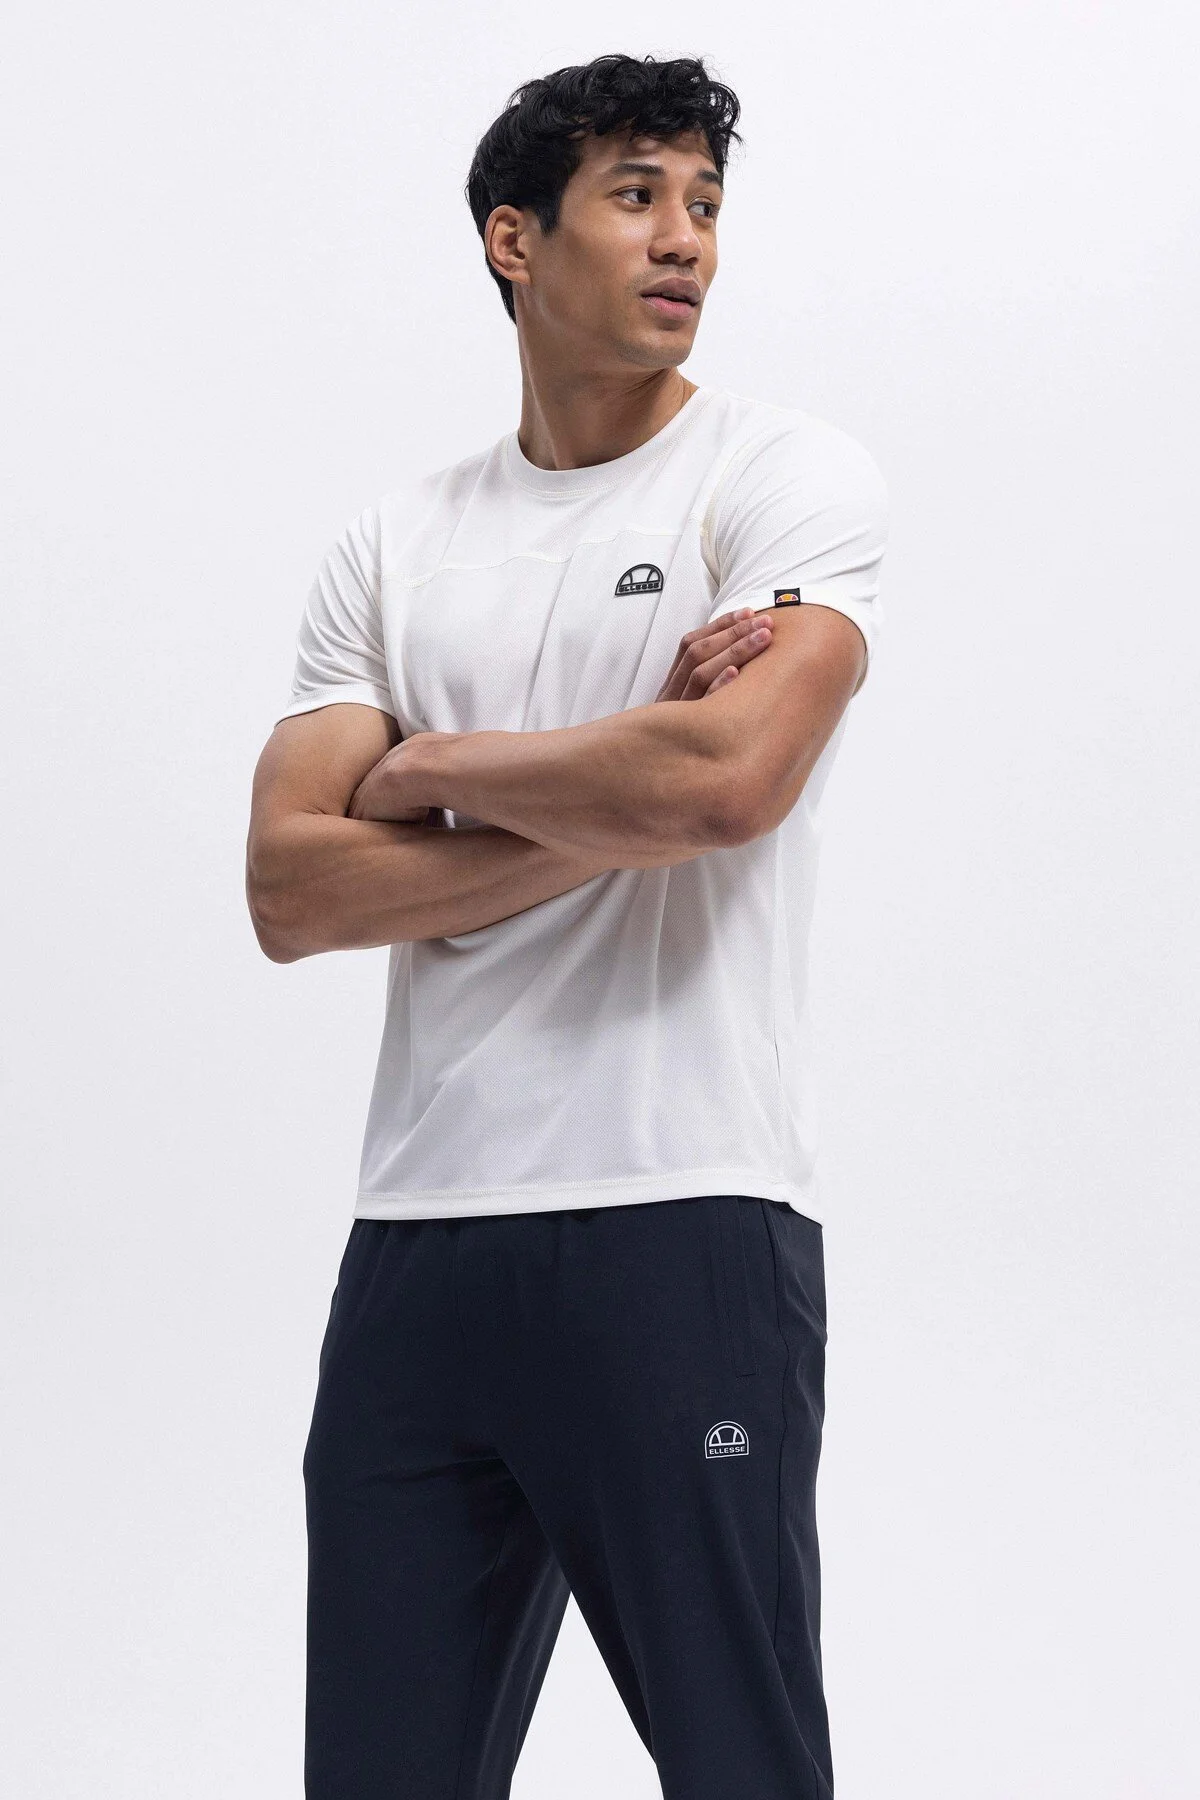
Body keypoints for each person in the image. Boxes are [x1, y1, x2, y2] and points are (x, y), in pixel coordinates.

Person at [246, 51, 889, 1800]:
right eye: (636, 196)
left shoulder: (784, 478)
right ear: (513, 239)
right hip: (419, 1241)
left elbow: (728, 783)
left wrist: (431, 769)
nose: (686, 240)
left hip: (681, 1221)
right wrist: (617, 785)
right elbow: (293, 890)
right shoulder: (395, 545)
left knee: (743, 1765)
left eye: (706, 206)